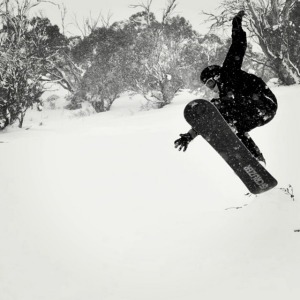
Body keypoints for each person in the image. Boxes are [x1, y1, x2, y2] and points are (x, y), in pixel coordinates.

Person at [174, 11, 278, 163]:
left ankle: (250, 151)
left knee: (222, 110)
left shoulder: (229, 72)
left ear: (216, 76)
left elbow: (238, 46)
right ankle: (256, 159)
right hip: (260, 114)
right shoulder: (224, 94)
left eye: (210, 83)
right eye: (207, 86)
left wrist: (236, 24)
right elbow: (211, 117)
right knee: (231, 126)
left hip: (262, 102)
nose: (211, 88)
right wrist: (190, 136)